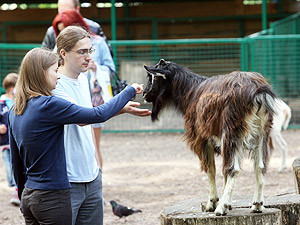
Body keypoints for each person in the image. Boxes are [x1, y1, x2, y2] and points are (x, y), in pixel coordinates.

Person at [8, 47, 149, 224]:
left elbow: (16, 161)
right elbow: (97, 115)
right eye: (54, 70)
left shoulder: (15, 109)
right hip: (53, 198)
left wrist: (23, 196)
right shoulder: (48, 105)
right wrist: (128, 91)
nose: (58, 75)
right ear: (42, 73)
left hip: (30, 195)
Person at [53, 25, 150, 225]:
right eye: (82, 52)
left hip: (92, 175)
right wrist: (127, 93)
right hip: (68, 180)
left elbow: (90, 115)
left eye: (90, 50)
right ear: (63, 53)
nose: (89, 57)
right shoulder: (55, 84)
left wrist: (120, 109)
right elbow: (82, 118)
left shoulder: (83, 79)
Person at [52, 9, 115, 169]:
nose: (63, 33)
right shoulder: (57, 78)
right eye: (59, 30)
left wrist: (96, 68)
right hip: (72, 100)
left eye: (65, 28)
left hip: (94, 96)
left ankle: (96, 174)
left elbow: (110, 68)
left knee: (93, 141)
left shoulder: (98, 42)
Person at [42, 0, 110, 53]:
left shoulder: (94, 29)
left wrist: (91, 57)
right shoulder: (52, 31)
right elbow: (45, 57)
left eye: (68, 11)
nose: (63, 15)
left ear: (77, 9)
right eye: (61, 11)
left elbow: (104, 52)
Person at [0, 73, 19, 206]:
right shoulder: (1, 104)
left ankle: (17, 190)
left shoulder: (19, 101)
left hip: (17, 141)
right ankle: (14, 185)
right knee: (9, 167)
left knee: (17, 166)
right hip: (5, 142)